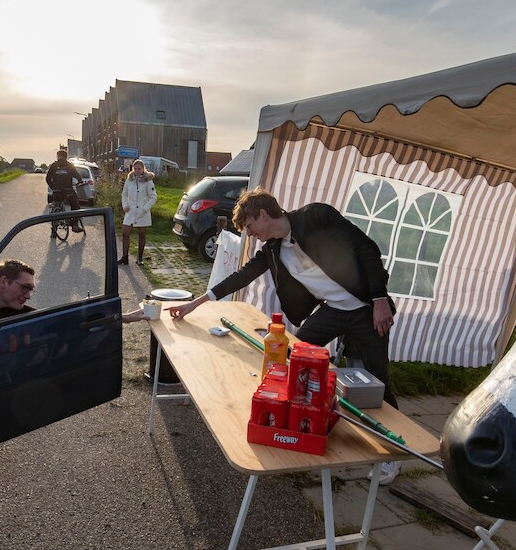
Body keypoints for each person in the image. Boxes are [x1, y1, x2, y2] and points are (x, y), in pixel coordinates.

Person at [168, 189, 403, 484]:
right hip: (333, 310)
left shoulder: (316, 216)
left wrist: (380, 299)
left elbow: (367, 249)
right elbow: (242, 276)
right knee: (296, 356)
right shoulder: (273, 251)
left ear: (263, 214)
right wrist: (194, 303)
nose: (251, 235)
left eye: (250, 227)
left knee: (378, 379)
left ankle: (396, 453)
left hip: (366, 309)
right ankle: (304, 421)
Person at [119, 159, 157, 266]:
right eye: (135, 169)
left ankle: (140, 258)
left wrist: (145, 208)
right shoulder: (129, 180)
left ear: (143, 169)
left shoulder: (148, 180)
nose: (137, 170)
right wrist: (125, 205)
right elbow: (124, 194)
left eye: (139, 168)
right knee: (125, 232)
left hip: (142, 212)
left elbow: (153, 197)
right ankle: (125, 257)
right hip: (130, 211)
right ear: (132, 169)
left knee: (141, 234)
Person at [44, 150, 84, 232]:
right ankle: (74, 225)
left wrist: (53, 187)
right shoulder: (70, 166)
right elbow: (78, 176)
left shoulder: (54, 165)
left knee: (55, 206)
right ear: (66, 157)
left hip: (56, 191)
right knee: (75, 204)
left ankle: (53, 231)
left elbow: (48, 178)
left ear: (58, 156)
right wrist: (80, 181)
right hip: (67, 191)